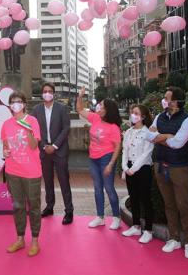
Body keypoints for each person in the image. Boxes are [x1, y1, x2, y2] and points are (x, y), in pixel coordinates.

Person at [146, 87, 188, 259]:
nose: (164, 100)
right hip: (160, 165)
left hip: (179, 167)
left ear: (175, 102)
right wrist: (167, 135)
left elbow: (178, 143)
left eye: (167, 98)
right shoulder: (160, 116)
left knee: (183, 204)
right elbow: (148, 135)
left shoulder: (187, 119)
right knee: (169, 204)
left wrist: (160, 137)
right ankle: (173, 238)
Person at [1, 91, 42, 257]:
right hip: (12, 171)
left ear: (24, 104)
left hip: (31, 172)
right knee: (17, 206)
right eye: (13, 102)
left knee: (33, 207)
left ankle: (34, 241)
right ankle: (20, 239)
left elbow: (33, 146)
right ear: (9, 105)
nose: (15, 104)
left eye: (18, 101)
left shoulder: (32, 121)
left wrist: (28, 130)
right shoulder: (6, 124)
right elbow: (5, 146)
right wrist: (5, 152)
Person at [76, 87, 122, 230]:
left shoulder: (113, 127)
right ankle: (100, 217)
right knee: (97, 188)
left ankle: (116, 217)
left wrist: (110, 164)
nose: (99, 106)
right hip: (93, 158)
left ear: (107, 110)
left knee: (108, 187)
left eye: (101, 105)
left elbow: (117, 147)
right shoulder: (95, 118)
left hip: (106, 158)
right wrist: (80, 96)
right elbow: (79, 109)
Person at [30, 82, 73, 225]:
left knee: (64, 181)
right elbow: (34, 130)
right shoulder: (36, 110)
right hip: (44, 150)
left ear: (53, 93)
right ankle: (49, 207)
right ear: (41, 94)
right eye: (45, 91)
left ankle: (69, 211)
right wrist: (43, 146)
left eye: (49, 91)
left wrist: (54, 146)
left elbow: (66, 128)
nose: (47, 93)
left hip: (59, 150)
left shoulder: (62, 108)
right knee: (47, 181)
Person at [121, 104, 155, 244]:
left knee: (145, 199)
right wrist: (124, 167)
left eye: (136, 113)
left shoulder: (148, 133)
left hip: (142, 168)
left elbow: (146, 153)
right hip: (129, 167)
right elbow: (125, 151)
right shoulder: (128, 132)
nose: (133, 115)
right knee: (133, 197)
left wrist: (133, 168)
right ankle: (135, 226)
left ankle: (148, 230)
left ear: (143, 116)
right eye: (132, 112)